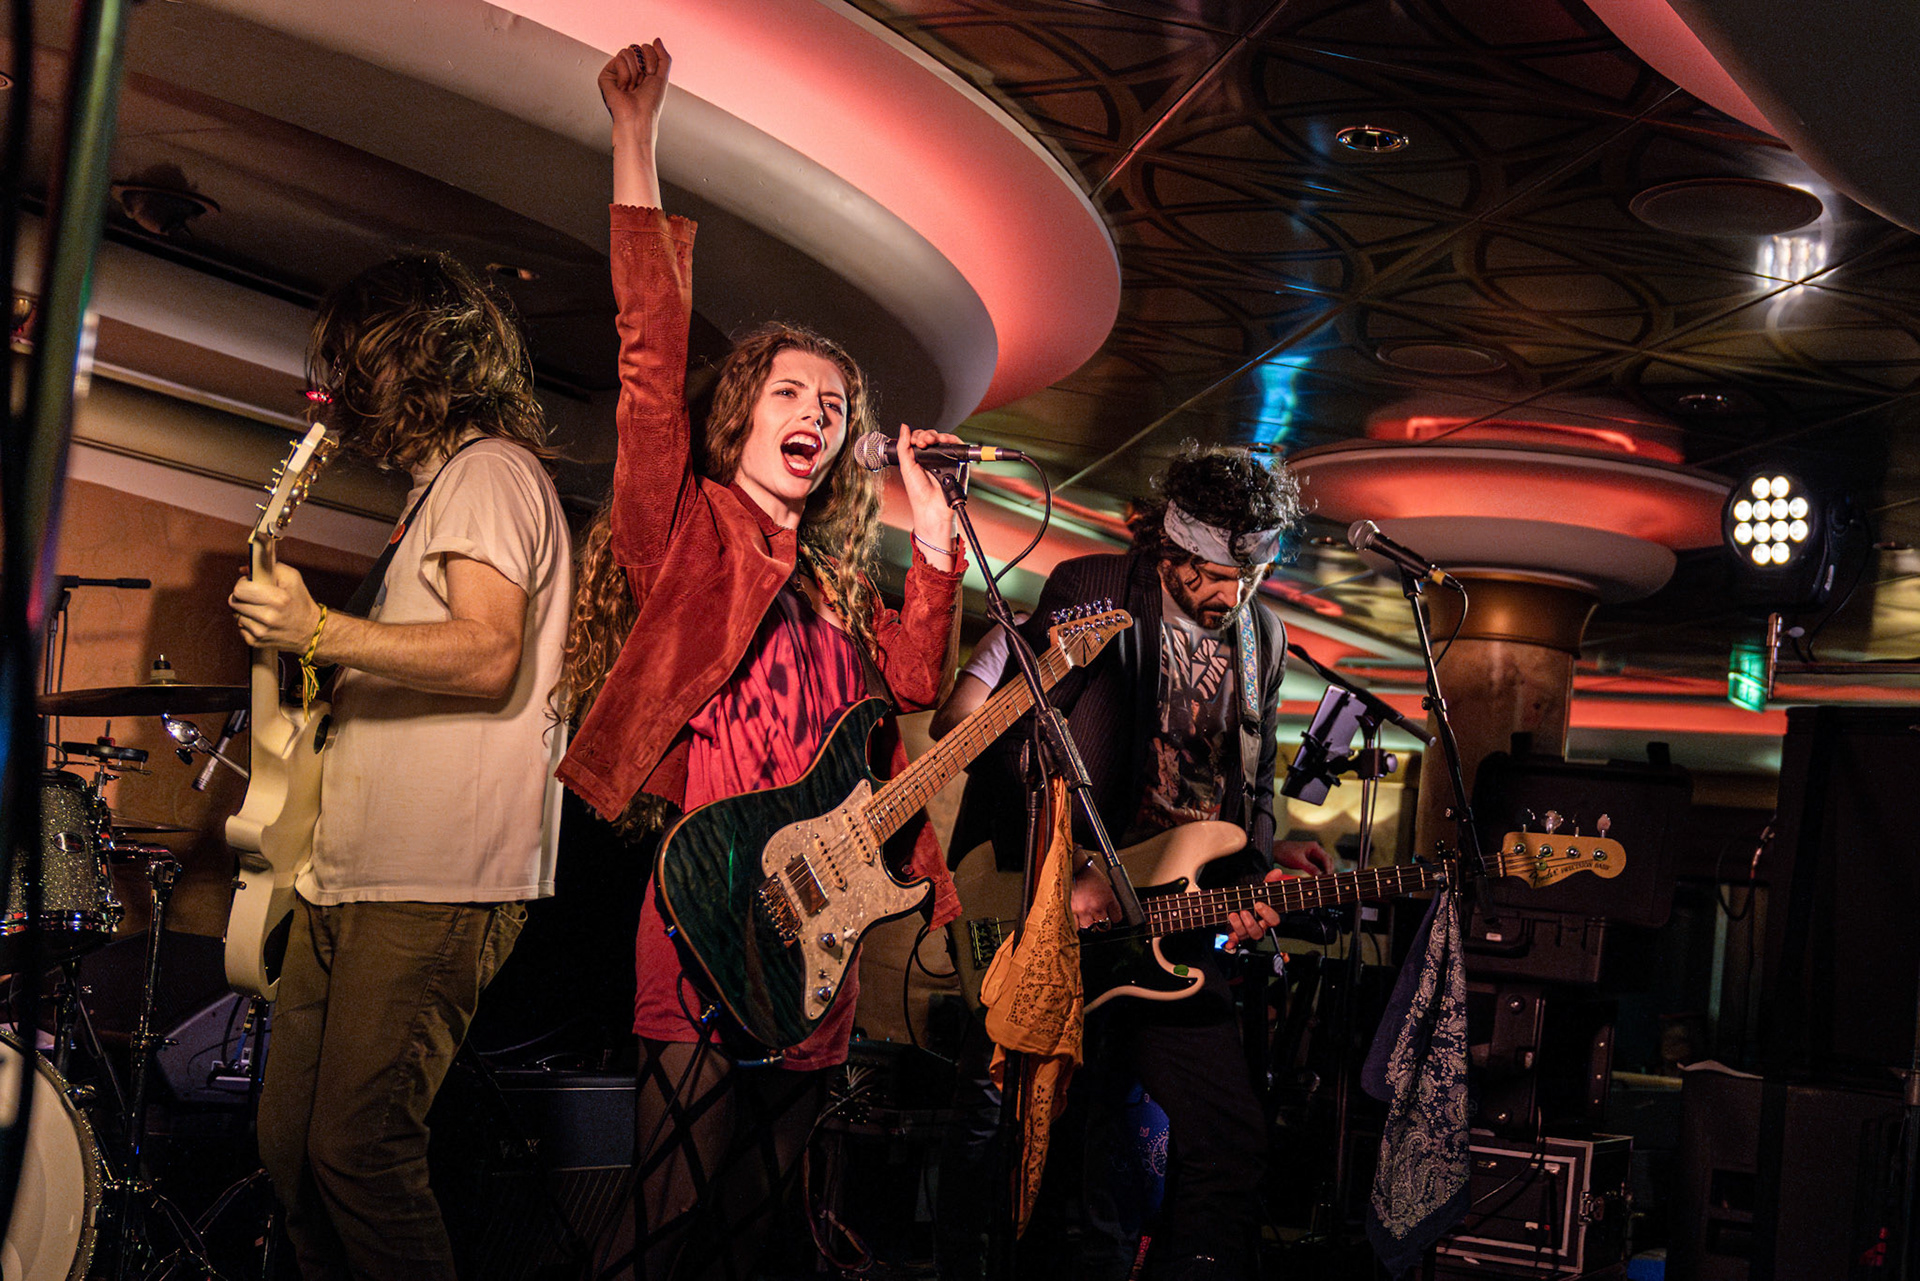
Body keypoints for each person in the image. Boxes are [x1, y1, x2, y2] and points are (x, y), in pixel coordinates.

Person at [551, 40, 967, 1281]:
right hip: (712, 895)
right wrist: (636, 140)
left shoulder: (836, 583)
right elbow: (647, 359)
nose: (817, 419)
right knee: (666, 1203)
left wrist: (933, 533)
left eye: (834, 409)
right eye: (793, 395)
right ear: (742, 412)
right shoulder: (686, 532)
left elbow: (915, 684)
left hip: (824, 917)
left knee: (764, 1219)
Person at [229, 251, 571, 1280]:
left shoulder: (489, 471)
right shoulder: (434, 495)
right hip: (349, 869)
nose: (347, 383)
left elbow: (487, 652)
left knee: (359, 1150)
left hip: (435, 874)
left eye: (363, 357)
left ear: (430, 353)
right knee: (291, 1152)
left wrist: (320, 630)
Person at [961, 445, 1332, 1281]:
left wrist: (1250, 883)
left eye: (1251, 575)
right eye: (1215, 574)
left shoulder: (1264, 637)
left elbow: (1256, 784)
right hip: (1072, 913)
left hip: (1176, 928)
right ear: (1172, 547)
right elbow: (1018, 745)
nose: (1233, 594)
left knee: (1229, 1142)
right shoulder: (1094, 586)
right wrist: (1066, 871)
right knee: (1048, 1159)